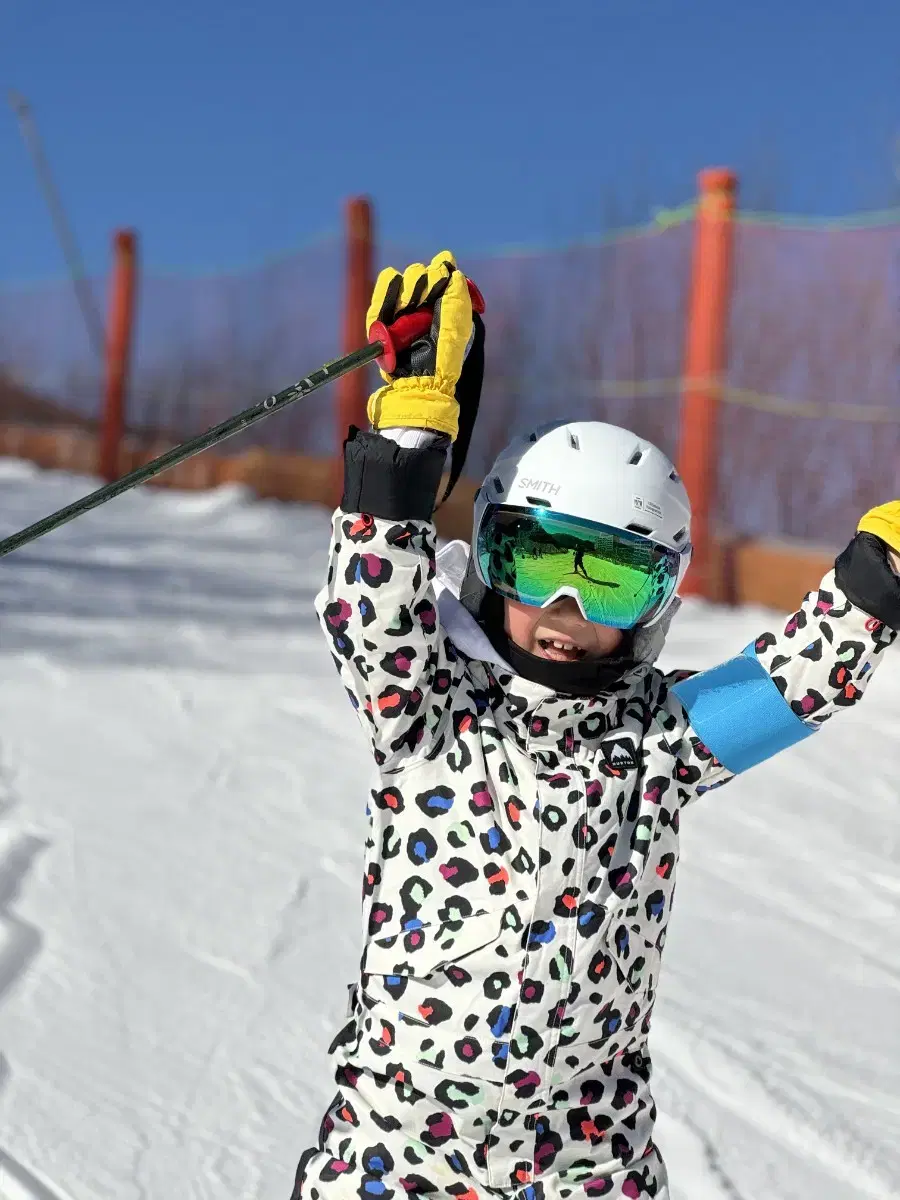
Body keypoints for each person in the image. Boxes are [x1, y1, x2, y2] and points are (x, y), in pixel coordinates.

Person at [291, 253, 900, 1199]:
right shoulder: (428, 707)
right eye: (538, 565)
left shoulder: (661, 740)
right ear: (491, 557)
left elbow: (791, 685)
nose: (567, 608)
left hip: (583, 1163)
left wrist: (878, 583)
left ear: (656, 597)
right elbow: (368, 610)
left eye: (611, 579)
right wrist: (407, 444)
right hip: (396, 1147)